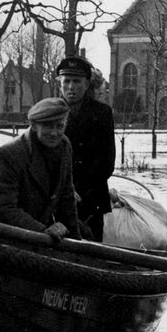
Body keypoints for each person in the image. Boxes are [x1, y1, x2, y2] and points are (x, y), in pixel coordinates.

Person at [0, 97, 83, 241]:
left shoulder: (64, 145)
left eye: (60, 126)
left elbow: (67, 198)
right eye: (48, 126)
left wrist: (76, 242)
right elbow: (3, 209)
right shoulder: (10, 154)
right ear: (34, 126)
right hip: (15, 236)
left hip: (42, 233)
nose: (54, 133)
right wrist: (42, 230)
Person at [57, 54, 115, 241]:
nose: (71, 87)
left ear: (87, 84)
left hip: (91, 198)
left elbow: (106, 162)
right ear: (59, 84)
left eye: (76, 81)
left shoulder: (102, 113)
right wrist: (65, 192)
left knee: (91, 243)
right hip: (57, 198)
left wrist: (79, 191)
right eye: (66, 81)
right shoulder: (50, 112)